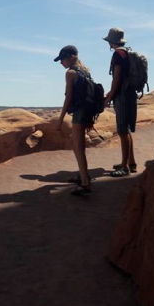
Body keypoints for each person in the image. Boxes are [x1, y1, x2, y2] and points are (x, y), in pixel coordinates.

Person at [54, 45, 93, 195]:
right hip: (87, 111)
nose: (61, 63)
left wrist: (60, 119)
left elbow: (68, 98)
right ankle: (84, 175)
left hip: (79, 112)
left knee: (78, 146)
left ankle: (85, 183)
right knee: (77, 144)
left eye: (62, 59)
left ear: (71, 56)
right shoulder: (85, 70)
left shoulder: (70, 73)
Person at [103, 28, 137, 177]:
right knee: (126, 130)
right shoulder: (127, 52)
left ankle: (124, 167)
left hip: (122, 95)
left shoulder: (118, 54)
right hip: (130, 93)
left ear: (111, 41)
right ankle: (131, 162)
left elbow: (117, 78)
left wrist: (110, 96)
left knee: (123, 131)